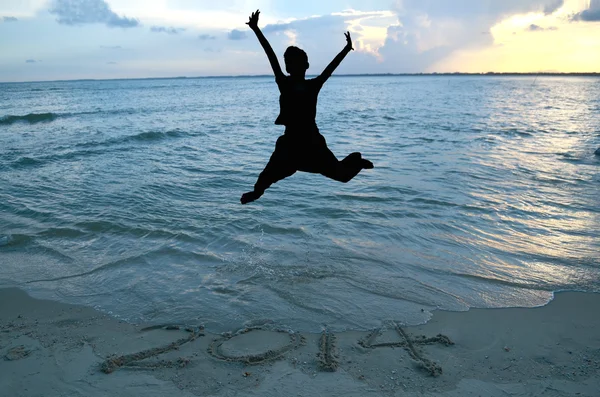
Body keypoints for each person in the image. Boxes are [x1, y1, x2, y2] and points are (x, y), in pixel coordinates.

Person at [241, 10, 373, 205]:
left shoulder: (312, 85)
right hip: (290, 144)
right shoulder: (286, 83)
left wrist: (347, 49)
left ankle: (356, 161)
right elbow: (270, 55)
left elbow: (330, 68)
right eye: (289, 63)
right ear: (288, 68)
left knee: (342, 176)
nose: (290, 66)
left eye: (294, 62)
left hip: (311, 143)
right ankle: (256, 193)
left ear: (305, 65)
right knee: (265, 179)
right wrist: (256, 29)